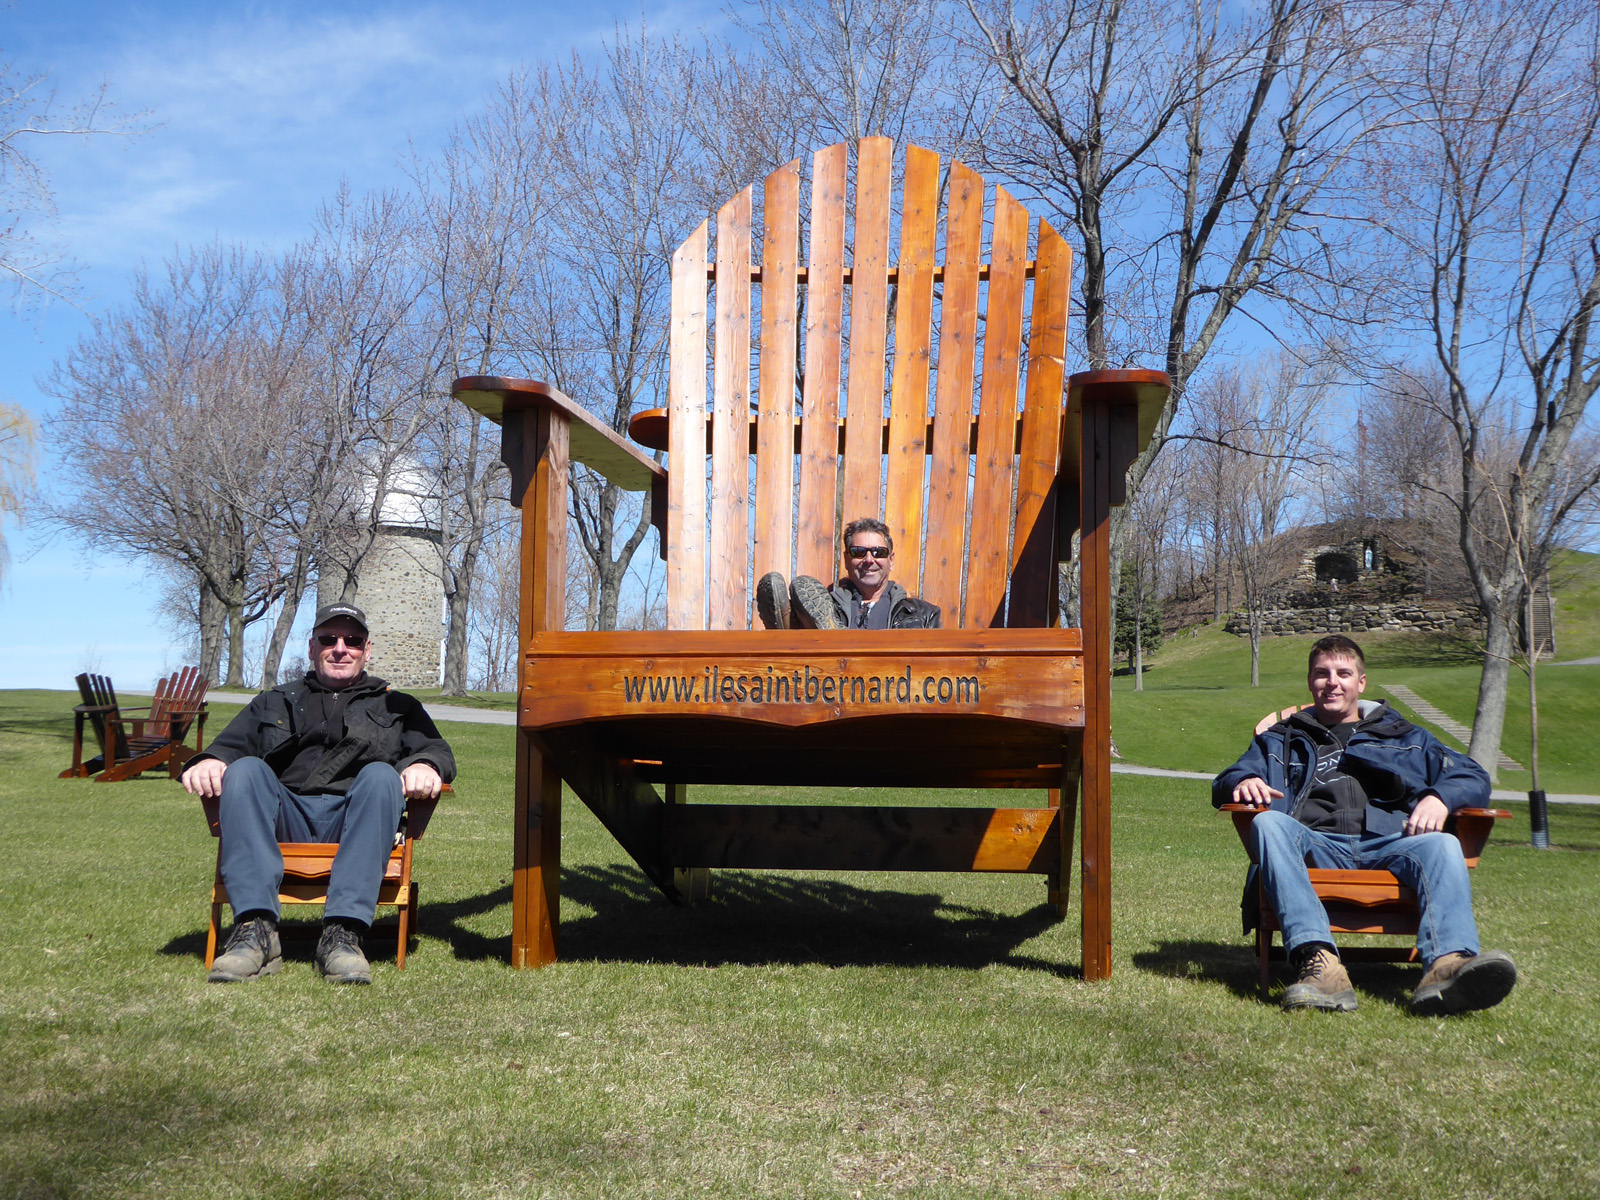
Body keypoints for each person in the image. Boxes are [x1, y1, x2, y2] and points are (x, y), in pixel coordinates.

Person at [1212, 634, 1516, 1015]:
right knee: (1270, 824)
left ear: (1362, 682)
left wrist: (1440, 798)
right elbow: (1227, 777)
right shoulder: (1281, 740)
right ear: (1310, 682)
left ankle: (1446, 967)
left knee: (1442, 844)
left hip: (1391, 843)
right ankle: (1320, 965)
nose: (1332, 682)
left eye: (1343, 673)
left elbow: (1473, 777)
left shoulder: (1406, 738)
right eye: (1322, 673)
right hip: (1313, 844)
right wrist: (1242, 781)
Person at [182, 602, 455, 986]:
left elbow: (438, 750)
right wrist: (211, 760)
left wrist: (425, 765)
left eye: (353, 641)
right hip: (284, 818)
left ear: (367, 650)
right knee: (245, 770)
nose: (341, 648)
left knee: (380, 776)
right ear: (312, 648)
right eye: (329, 639)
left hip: (356, 820)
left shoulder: (397, 705)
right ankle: (255, 932)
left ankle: (343, 935)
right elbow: (229, 745)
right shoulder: (275, 700)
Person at [756, 517, 941, 630]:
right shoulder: (822, 607)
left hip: (894, 687)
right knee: (804, 627)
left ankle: (830, 640)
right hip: (829, 689)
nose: (869, 559)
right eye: (858, 552)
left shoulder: (924, 615)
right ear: (846, 559)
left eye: (879, 552)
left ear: (891, 560)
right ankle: (791, 633)